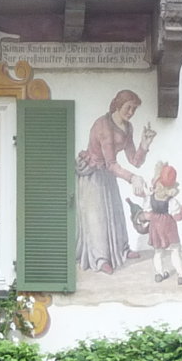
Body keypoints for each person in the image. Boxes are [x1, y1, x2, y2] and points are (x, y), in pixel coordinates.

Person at [76, 88, 155, 274]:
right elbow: (110, 163)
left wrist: (145, 144)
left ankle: (122, 250)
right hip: (93, 173)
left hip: (108, 173)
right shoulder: (104, 125)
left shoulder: (128, 127)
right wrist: (132, 178)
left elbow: (135, 160)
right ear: (118, 105)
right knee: (98, 217)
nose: (131, 112)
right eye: (128, 107)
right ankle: (100, 259)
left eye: (134, 109)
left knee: (116, 212)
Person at [144, 162, 182, 285]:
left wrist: (155, 219)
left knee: (158, 251)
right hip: (168, 227)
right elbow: (177, 217)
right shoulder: (172, 201)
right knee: (175, 250)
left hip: (155, 226)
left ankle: (159, 274)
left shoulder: (150, 198)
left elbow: (147, 215)